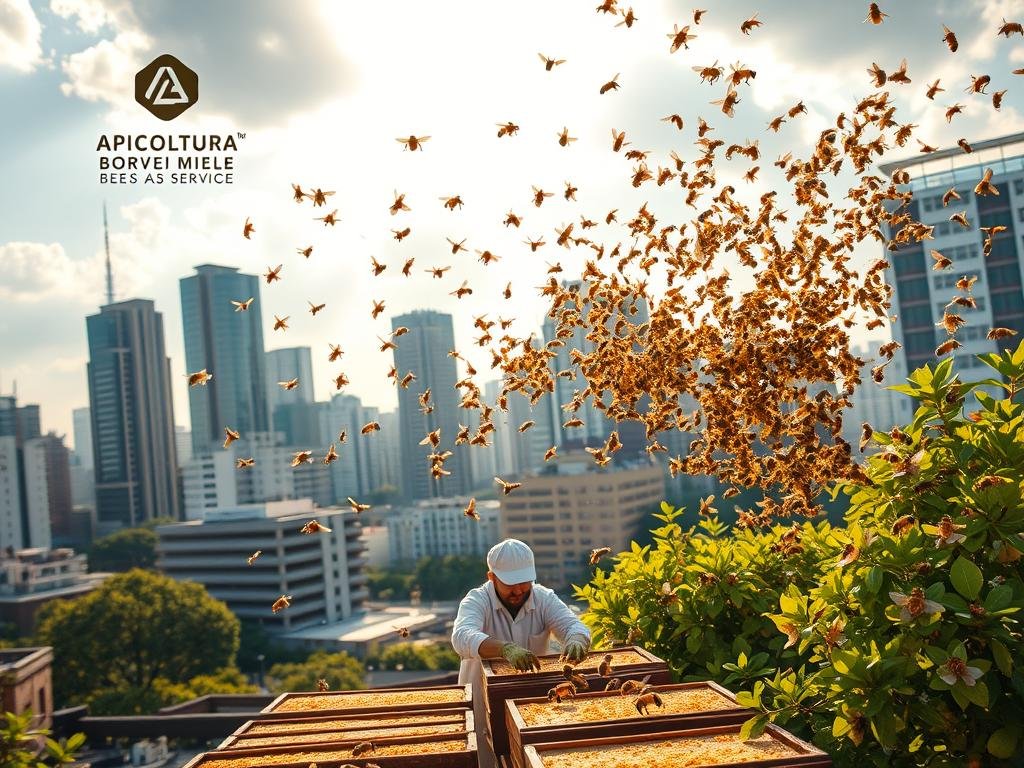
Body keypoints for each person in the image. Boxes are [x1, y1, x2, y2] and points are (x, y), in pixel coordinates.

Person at [451, 538, 591, 768]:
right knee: (487, 759)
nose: (518, 590)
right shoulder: (477, 600)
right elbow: (461, 636)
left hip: (532, 701)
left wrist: (576, 639)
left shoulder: (543, 598)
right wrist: (504, 648)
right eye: (509, 584)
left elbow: (573, 626)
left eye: (524, 583)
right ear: (491, 577)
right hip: (481, 702)